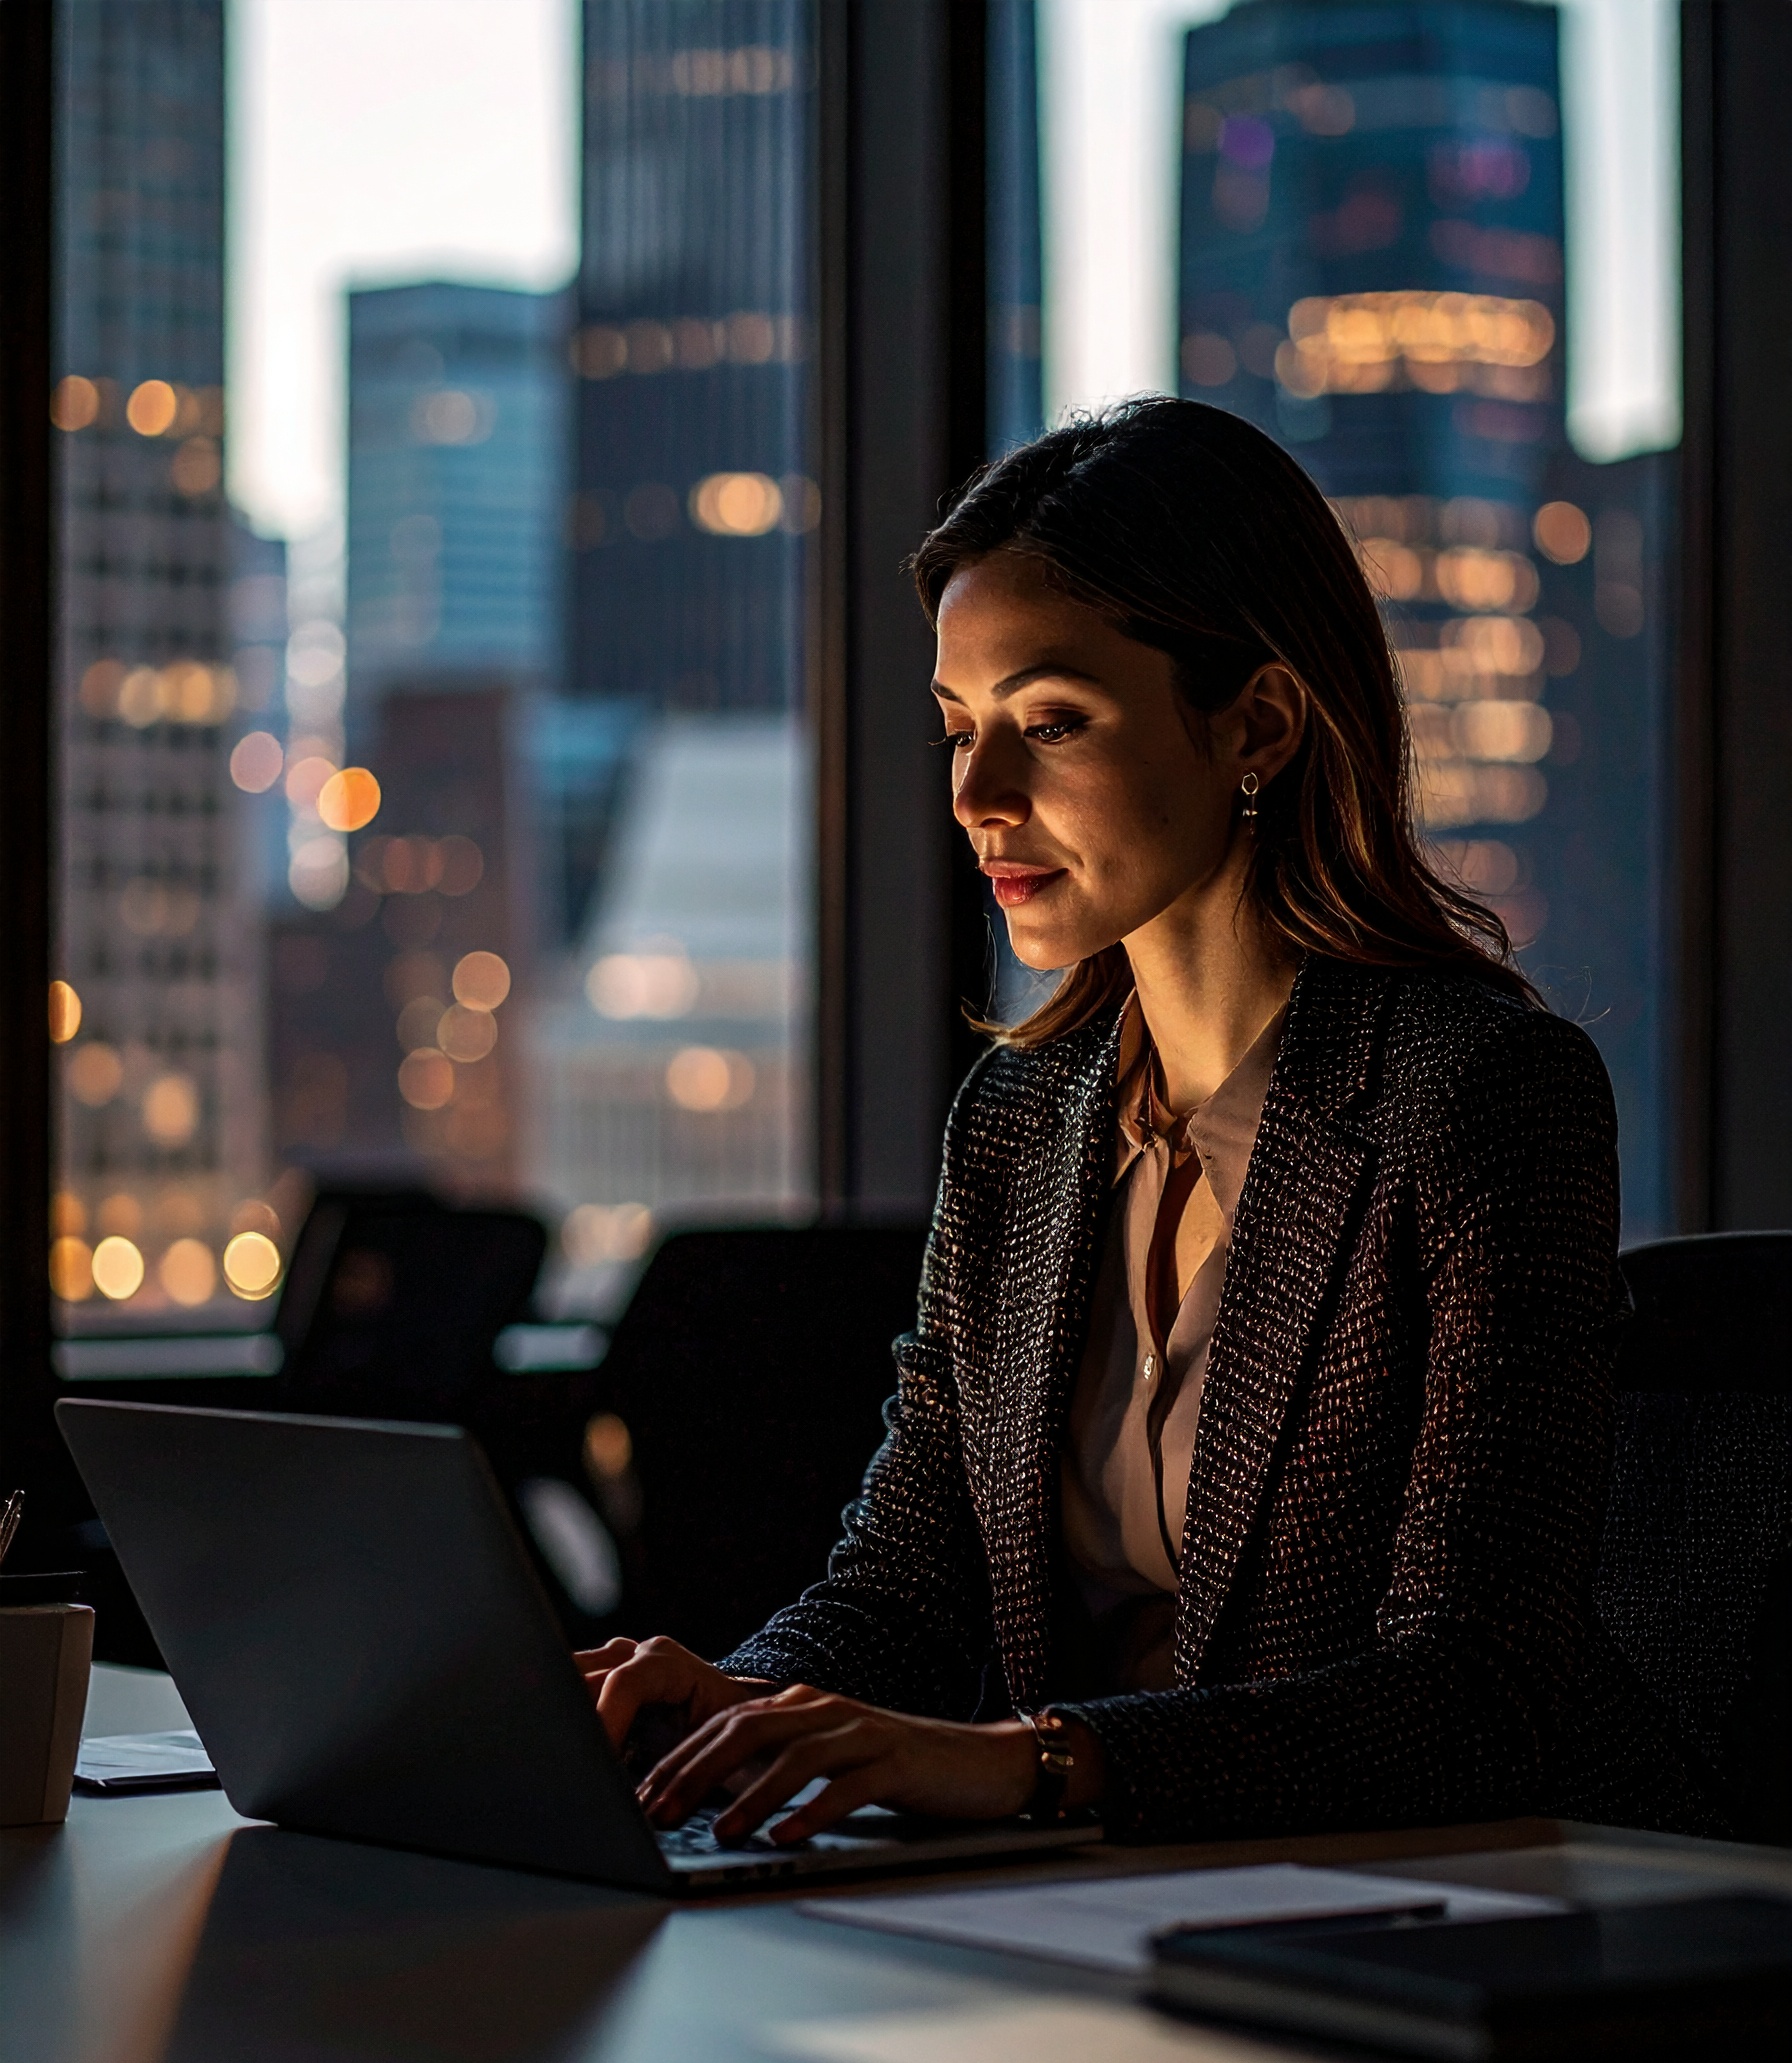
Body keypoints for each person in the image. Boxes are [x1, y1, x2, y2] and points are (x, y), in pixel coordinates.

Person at [578, 396, 1712, 1848]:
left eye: (1052, 723)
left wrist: (1038, 1766)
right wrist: (722, 1712)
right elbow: (907, 1589)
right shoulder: (1019, 1123)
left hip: (1452, 1913)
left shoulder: (1479, 1093)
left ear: (1258, 723)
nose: (978, 797)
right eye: (958, 730)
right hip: (1109, 1897)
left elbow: (1473, 1694)